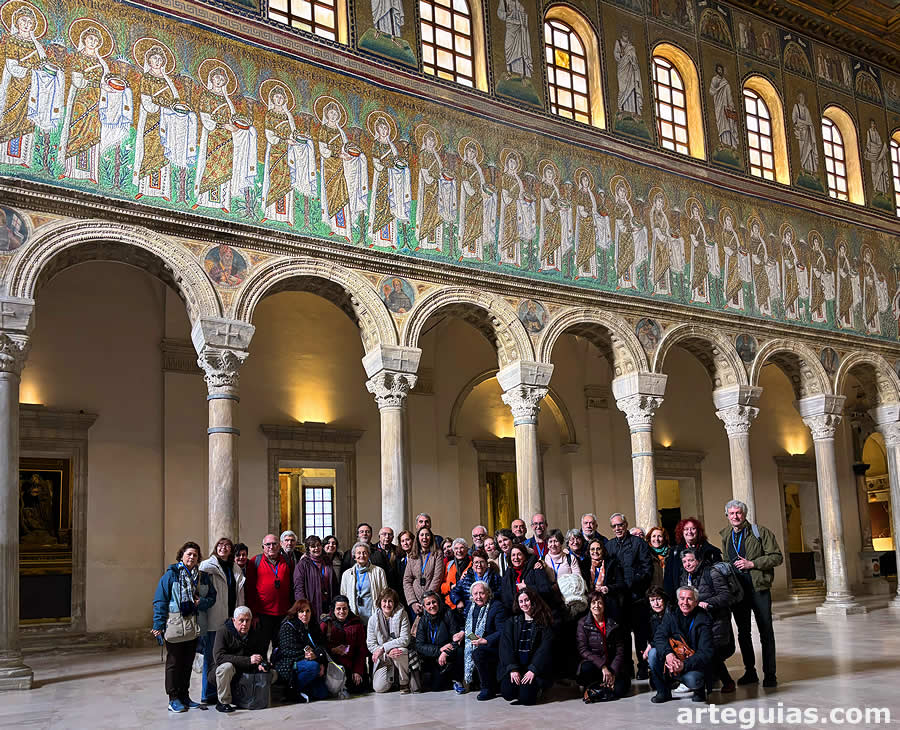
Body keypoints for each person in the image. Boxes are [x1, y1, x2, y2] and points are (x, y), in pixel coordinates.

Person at [719, 499, 783, 688]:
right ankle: (750, 672)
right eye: (732, 513)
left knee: (766, 631)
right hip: (738, 592)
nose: (735, 516)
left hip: (758, 589)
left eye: (738, 513)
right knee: (743, 633)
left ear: (744, 514)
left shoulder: (760, 532)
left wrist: (752, 564)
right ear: (727, 516)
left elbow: (777, 557)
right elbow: (726, 560)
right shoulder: (726, 535)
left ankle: (770, 674)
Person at [152, 541, 217, 713]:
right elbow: (160, 601)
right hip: (175, 625)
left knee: (188, 663)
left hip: (194, 626)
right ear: (181, 556)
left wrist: (201, 602)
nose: (192, 557)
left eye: (195, 555)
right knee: (174, 663)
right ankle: (173, 698)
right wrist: (158, 624)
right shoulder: (171, 575)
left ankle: (184, 696)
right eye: (189, 554)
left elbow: (212, 597)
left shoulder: (202, 577)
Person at [678, 549, 735, 693]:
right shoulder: (685, 576)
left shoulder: (712, 573)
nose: (687, 564)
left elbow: (726, 596)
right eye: (684, 561)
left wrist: (708, 603)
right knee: (703, 651)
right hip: (699, 621)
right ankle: (702, 682)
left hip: (716, 620)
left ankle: (727, 682)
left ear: (698, 560)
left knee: (712, 651)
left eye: (690, 560)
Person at [605, 513, 653, 679]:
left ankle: (643, 667)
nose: (617, 528)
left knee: (640, 635)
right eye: (614, 526)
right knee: (623, 636)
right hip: (618, 600)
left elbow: (647, 570)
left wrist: (631, 584)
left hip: (636, 597)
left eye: (620, 525)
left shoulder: (639, 543)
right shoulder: (609, 546)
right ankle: (627, 668)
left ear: (626, 525)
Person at [199, 537, 245, 705]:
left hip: (231, 619)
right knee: (211, 657)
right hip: (215, 618)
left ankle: (225, 692)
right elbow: (202, 592)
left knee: (228, 656)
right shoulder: (207, 566)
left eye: (227, 546)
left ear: (231, 550)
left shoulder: (235, 567)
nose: (223, 548)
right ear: (216, 547)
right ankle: (207, 694)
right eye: (220, 545)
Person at [649, 586, 714, 704]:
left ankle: (699, 690)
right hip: (673, 660)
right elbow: (659, 637)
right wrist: (668, 654)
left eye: (689, 599)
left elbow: (706, 653)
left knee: (694, 680)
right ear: (678, 600)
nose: (685, 602)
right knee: (653, 654)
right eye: (682, 598)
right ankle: (663, 692)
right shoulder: (671, 614)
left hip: (692, 663)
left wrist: (683, 665)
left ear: (696, 602)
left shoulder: (704, 619)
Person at [211, 606, 274, 713]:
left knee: (273, 673)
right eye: (241, 620)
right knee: (226, 668)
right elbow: (219, 657)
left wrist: (261, 663)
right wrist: (248, 660)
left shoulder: (255, 632)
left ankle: (253, 698)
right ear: (234, 620)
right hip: (226, 669)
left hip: (246, 668)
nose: (245, 624)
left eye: (247, 620)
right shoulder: (223, 631)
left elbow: (260, 653)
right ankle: (223, 702)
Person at [499, 588, 555, 705]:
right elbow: (505, 647)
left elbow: (545, 649)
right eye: (521, 601)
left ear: (533, 601)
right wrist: (513, 669)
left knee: (526, 699)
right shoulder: (512, 622)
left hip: (534, 669)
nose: (524, 604)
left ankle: (539, 688)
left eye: (527, 600)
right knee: (508, 692)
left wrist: (533, 669)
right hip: (517, 667)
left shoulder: (544, 622)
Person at [455, 581, 507, 699]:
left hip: (493, 645)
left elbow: (503, 631)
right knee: (456, 649)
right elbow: (468, 627)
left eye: (481, 593)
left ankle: (487, 688)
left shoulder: (497, 606)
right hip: (475, 641)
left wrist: (485, 640)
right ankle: (464, 682)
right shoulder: (470, 607)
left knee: (478, 653)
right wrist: (462, 632)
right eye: (475, 594)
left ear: (488, 593)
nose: (478, 597)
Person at [244, 534, 293, 653]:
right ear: (263, 547)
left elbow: (292, 586)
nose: (271, 547)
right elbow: (249, 590)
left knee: (281, 647)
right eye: (268, 544)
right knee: (261, 647)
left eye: (274, 544)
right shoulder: (255, 561)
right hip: (262, 614)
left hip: (283, 613)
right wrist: (253, 614)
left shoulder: (287, 561)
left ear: (279, 545)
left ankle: (278, 665)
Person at [576, 592, 629, 701]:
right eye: (593, 602)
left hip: (611, 665)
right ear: (589, 605)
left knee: (621, 689)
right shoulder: (582, 623)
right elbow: (583, 650)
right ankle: (601, 688)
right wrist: (603, 666)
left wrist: (613, 671)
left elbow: (620, 650)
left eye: (600, 603)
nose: (597, 606)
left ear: (604, 605)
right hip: (594, 666)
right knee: (586, 668)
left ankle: (597, 690)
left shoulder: (613, 623)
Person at [274, 599, 329, 702]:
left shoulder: (313, 626)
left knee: (322, 693)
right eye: (301, 611)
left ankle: (303, 690)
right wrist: (307, 656)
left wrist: (319, 659)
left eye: (308, 611)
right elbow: (287, 650)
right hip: (290, 662)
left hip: (309, 660)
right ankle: (291, 690)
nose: (305, 614)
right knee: (313, 667)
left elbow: (321, 646)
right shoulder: (288, 626)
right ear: (296, 612)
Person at [367, 588, 418, 693]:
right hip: (384, 658)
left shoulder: (402, 614)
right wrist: (386, 653)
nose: (387, 604)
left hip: (399, 654)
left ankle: (404, 682)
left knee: (400, 651)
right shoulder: (373, 619)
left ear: (395, 603)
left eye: (390, 601)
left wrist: (384, 648)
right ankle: (394, 678)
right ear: (380, 602)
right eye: (384, 601)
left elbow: (405, 639)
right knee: (379, 688)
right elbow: (371, 644)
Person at [664, 517, 723, 598]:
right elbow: (668, 578)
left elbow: (719, 579)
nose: (689, 532)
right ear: (682, 532)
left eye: (693, 529)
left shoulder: (711, 551)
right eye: (686, 529)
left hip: (706, 598)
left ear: (698, 531)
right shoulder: (674, 552)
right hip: (682, 598)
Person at [416, 591, 462, 692]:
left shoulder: (448, 614)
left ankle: (457, 680)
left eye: (434, 602)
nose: (432, 606)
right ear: (424, 607)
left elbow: (456, 638)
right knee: (436, 688)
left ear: (438, 602)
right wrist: (439, 650)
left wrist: (445, 652)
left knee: (460, 651)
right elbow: (419, 645)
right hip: (433, 656)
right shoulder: (423, 620)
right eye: (428, 604)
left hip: (449, 654)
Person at [321, 595, 368, 694]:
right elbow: (320, 646)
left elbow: (361, 649)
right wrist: (333, 650)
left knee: (358, 688)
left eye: (344, 608)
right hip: (333, 664)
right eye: (338, 609)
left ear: (348, 609)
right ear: (333, 609)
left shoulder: (357, 624)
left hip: (352, 664)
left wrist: (357, 670)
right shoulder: (326, 623)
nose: (341, 612)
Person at [500, 544, 558, 615]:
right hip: (517, 615)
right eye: (513, 555)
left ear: (525, 556)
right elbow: (505, 598)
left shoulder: (536, 568)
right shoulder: (508, 574)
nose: (516, 558)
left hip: (538, 613)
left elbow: (546, 591)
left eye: (519, 554)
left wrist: (527, 587)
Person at [293, 534, 339, 620]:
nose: (316, 548)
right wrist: (303, 606)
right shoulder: (303, 564)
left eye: (318, 545)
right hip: (311, 603)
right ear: (308, 549)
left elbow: (334, 583)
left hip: (328, 602)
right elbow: (298, 587)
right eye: (313, 546)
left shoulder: (327, 561)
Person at [340, 541, 388, 623]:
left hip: (373, 613)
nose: (362, 555)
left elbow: (385, 593)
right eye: (359, 553)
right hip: (354, 614)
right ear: (354, 556)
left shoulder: (379, 571)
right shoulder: (347, 574)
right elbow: (343, 594)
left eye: (364, 553)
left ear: (369, 555)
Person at [403, 527, 445, 617]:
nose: (424, 537)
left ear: (431, 537)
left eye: (427, 535)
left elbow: (437, 577)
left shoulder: (437, 553)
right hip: (416, 603)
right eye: (422, 535)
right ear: (418, 538)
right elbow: (407, 580)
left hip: (432, 602)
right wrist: (413, 602)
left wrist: (427, 600)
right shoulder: (412, 556)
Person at [451, 548, 501, 614]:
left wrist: (489, 597)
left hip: (490, 611)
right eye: (476, 562)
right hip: (469, 611)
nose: (479, 565)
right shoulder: (466, 577)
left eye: (482, 562)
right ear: (472, 565)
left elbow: (501, 592)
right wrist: (458, 601)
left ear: (486, 564)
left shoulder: (494, 577)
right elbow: (454, 592)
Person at [586, 538, 625, 620]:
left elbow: (621, 584)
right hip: (590, 603)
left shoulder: (612, 564)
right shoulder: (585, 564)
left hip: (608, 603)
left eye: (598, 549)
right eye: (592, 549)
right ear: (589, 551)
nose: (595, 551)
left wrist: (608, 588)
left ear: (603, 551)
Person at [442, 538, 471, 609]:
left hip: (468, 604)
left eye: (462, 548)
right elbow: (442, 586)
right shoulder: (449, 565)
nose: (459, 551)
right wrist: (451, 586)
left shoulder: (473, 564)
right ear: (453, 551)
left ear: (467, 549)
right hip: (450, 605)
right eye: (456, 548)